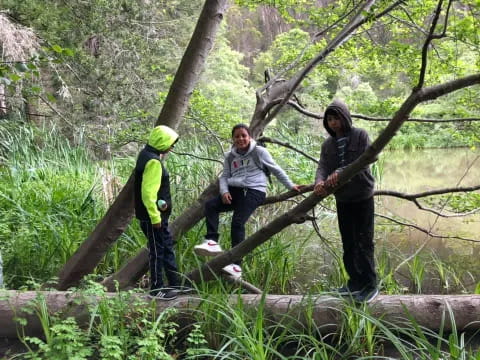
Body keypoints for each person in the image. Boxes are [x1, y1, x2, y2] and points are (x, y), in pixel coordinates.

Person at [194, 123, 301, 279]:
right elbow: (224, 177)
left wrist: (291, 185)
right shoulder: (230, 156)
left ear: (249, 137)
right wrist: (224, 191)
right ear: (233, 139)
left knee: (237, 222)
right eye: (237, 136)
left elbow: (276, 169)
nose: (240, 139)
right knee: (211, 205)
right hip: (235, 191)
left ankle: (236, 266)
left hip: (255, 190)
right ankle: (211, 241)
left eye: (243, 135)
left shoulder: (259, 152)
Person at [313, 99, 378, 303]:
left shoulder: (360, 135)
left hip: (362, 196)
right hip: (342, 198)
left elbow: (365, 159)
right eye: (330, 119)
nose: (333, 123)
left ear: (345, 117)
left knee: (364, 240)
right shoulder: (328, 144)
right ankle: (354, 283)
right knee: (348, 242)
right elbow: (322, 166)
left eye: (336, 118)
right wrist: (319, 182)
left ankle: (370, 285)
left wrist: (340, 172)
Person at [134, 125, 186, 300]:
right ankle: (157, 289)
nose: (172, 147)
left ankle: (175, 283)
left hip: (156, 216)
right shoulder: (153, 162)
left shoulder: (146, 155)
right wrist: (155, 217)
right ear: (162, 141)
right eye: (171, 143)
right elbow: (148, 193)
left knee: (166, 246)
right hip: (153, 218)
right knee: (157, 251)